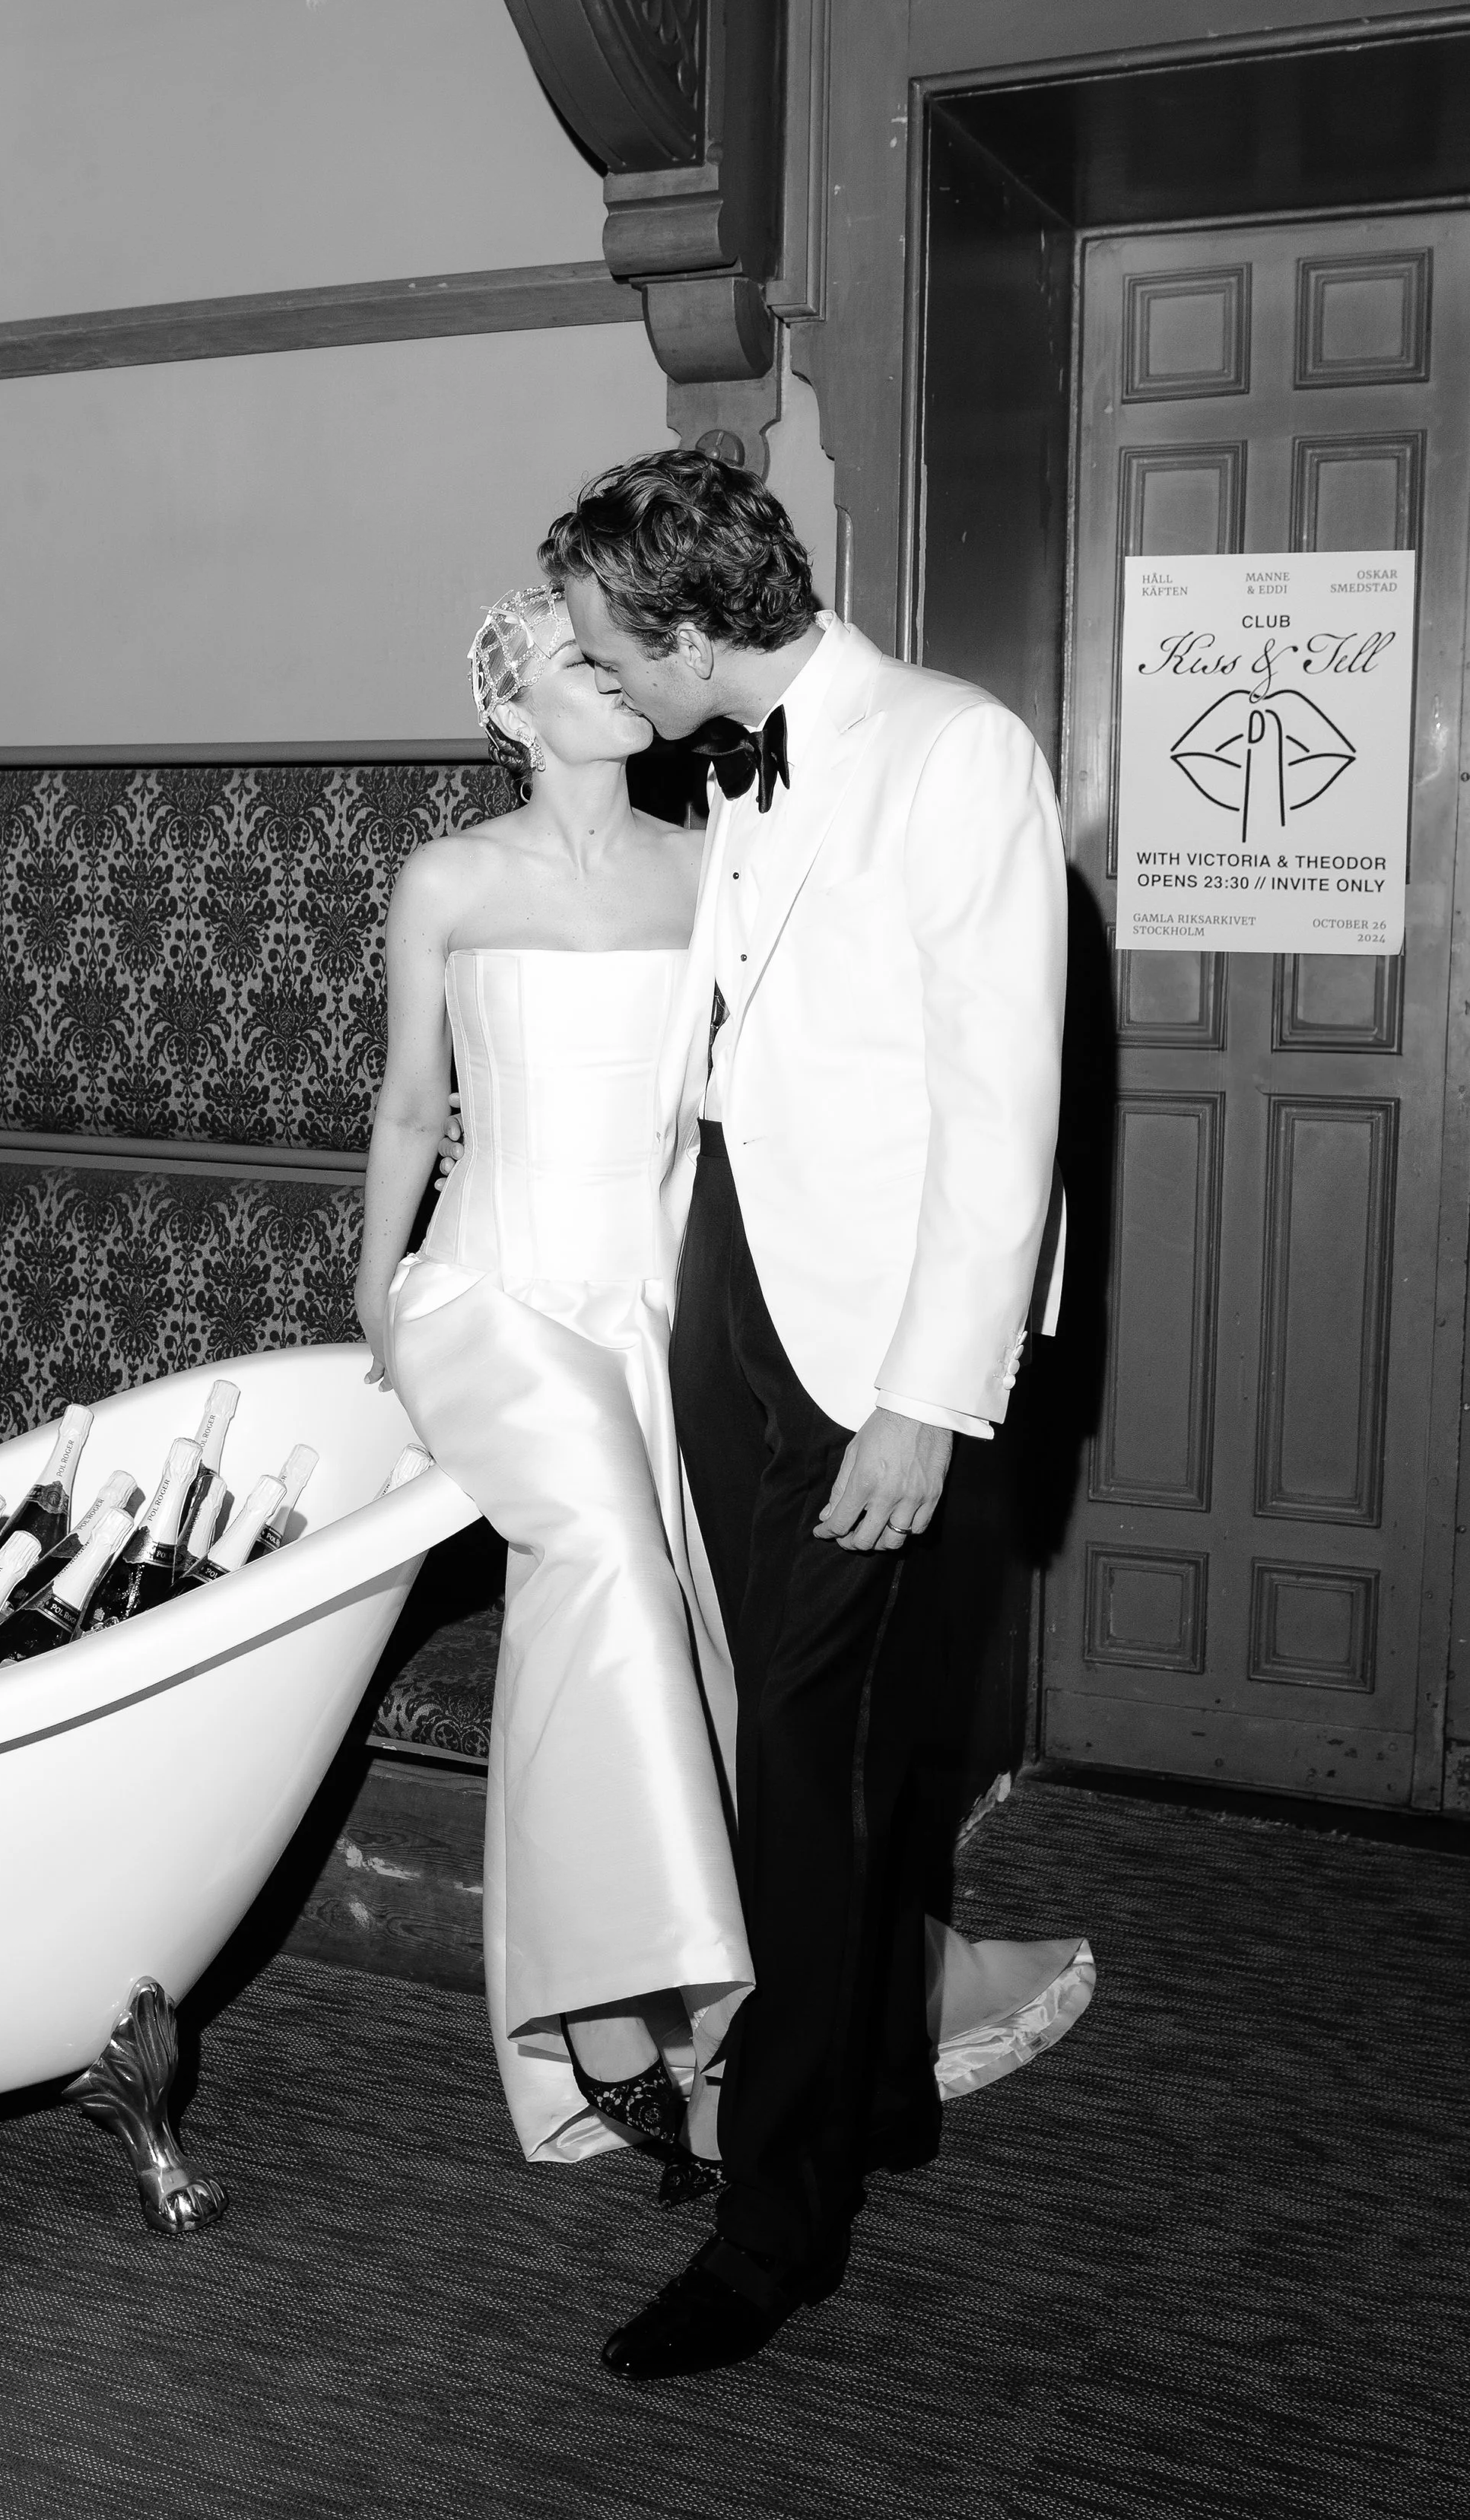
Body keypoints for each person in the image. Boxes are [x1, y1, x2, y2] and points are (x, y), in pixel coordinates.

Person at [354, 573, 1087, 2265]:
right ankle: (627, 2027)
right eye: (564, 660)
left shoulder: (718, 862)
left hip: (669, 1309)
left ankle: (676, 2017)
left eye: (607, 655)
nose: (601, 681)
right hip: (495, 1291)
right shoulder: (447, 876)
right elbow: (409, 1101)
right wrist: (375, 1285)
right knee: (605, 1556)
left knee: (692, 1639)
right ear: (506, 702)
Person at [548, 450, 1069, 2379]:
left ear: (693, 632)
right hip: (736, 1317)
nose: (600, 675)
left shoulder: (953, 751)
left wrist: (929, 1402)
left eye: (614, 645)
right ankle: (872, 2102)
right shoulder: (733, 759)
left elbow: (999, 1112)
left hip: (878, 1366)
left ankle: (772, 2225)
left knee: (801, 1766)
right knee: (816, 1757)